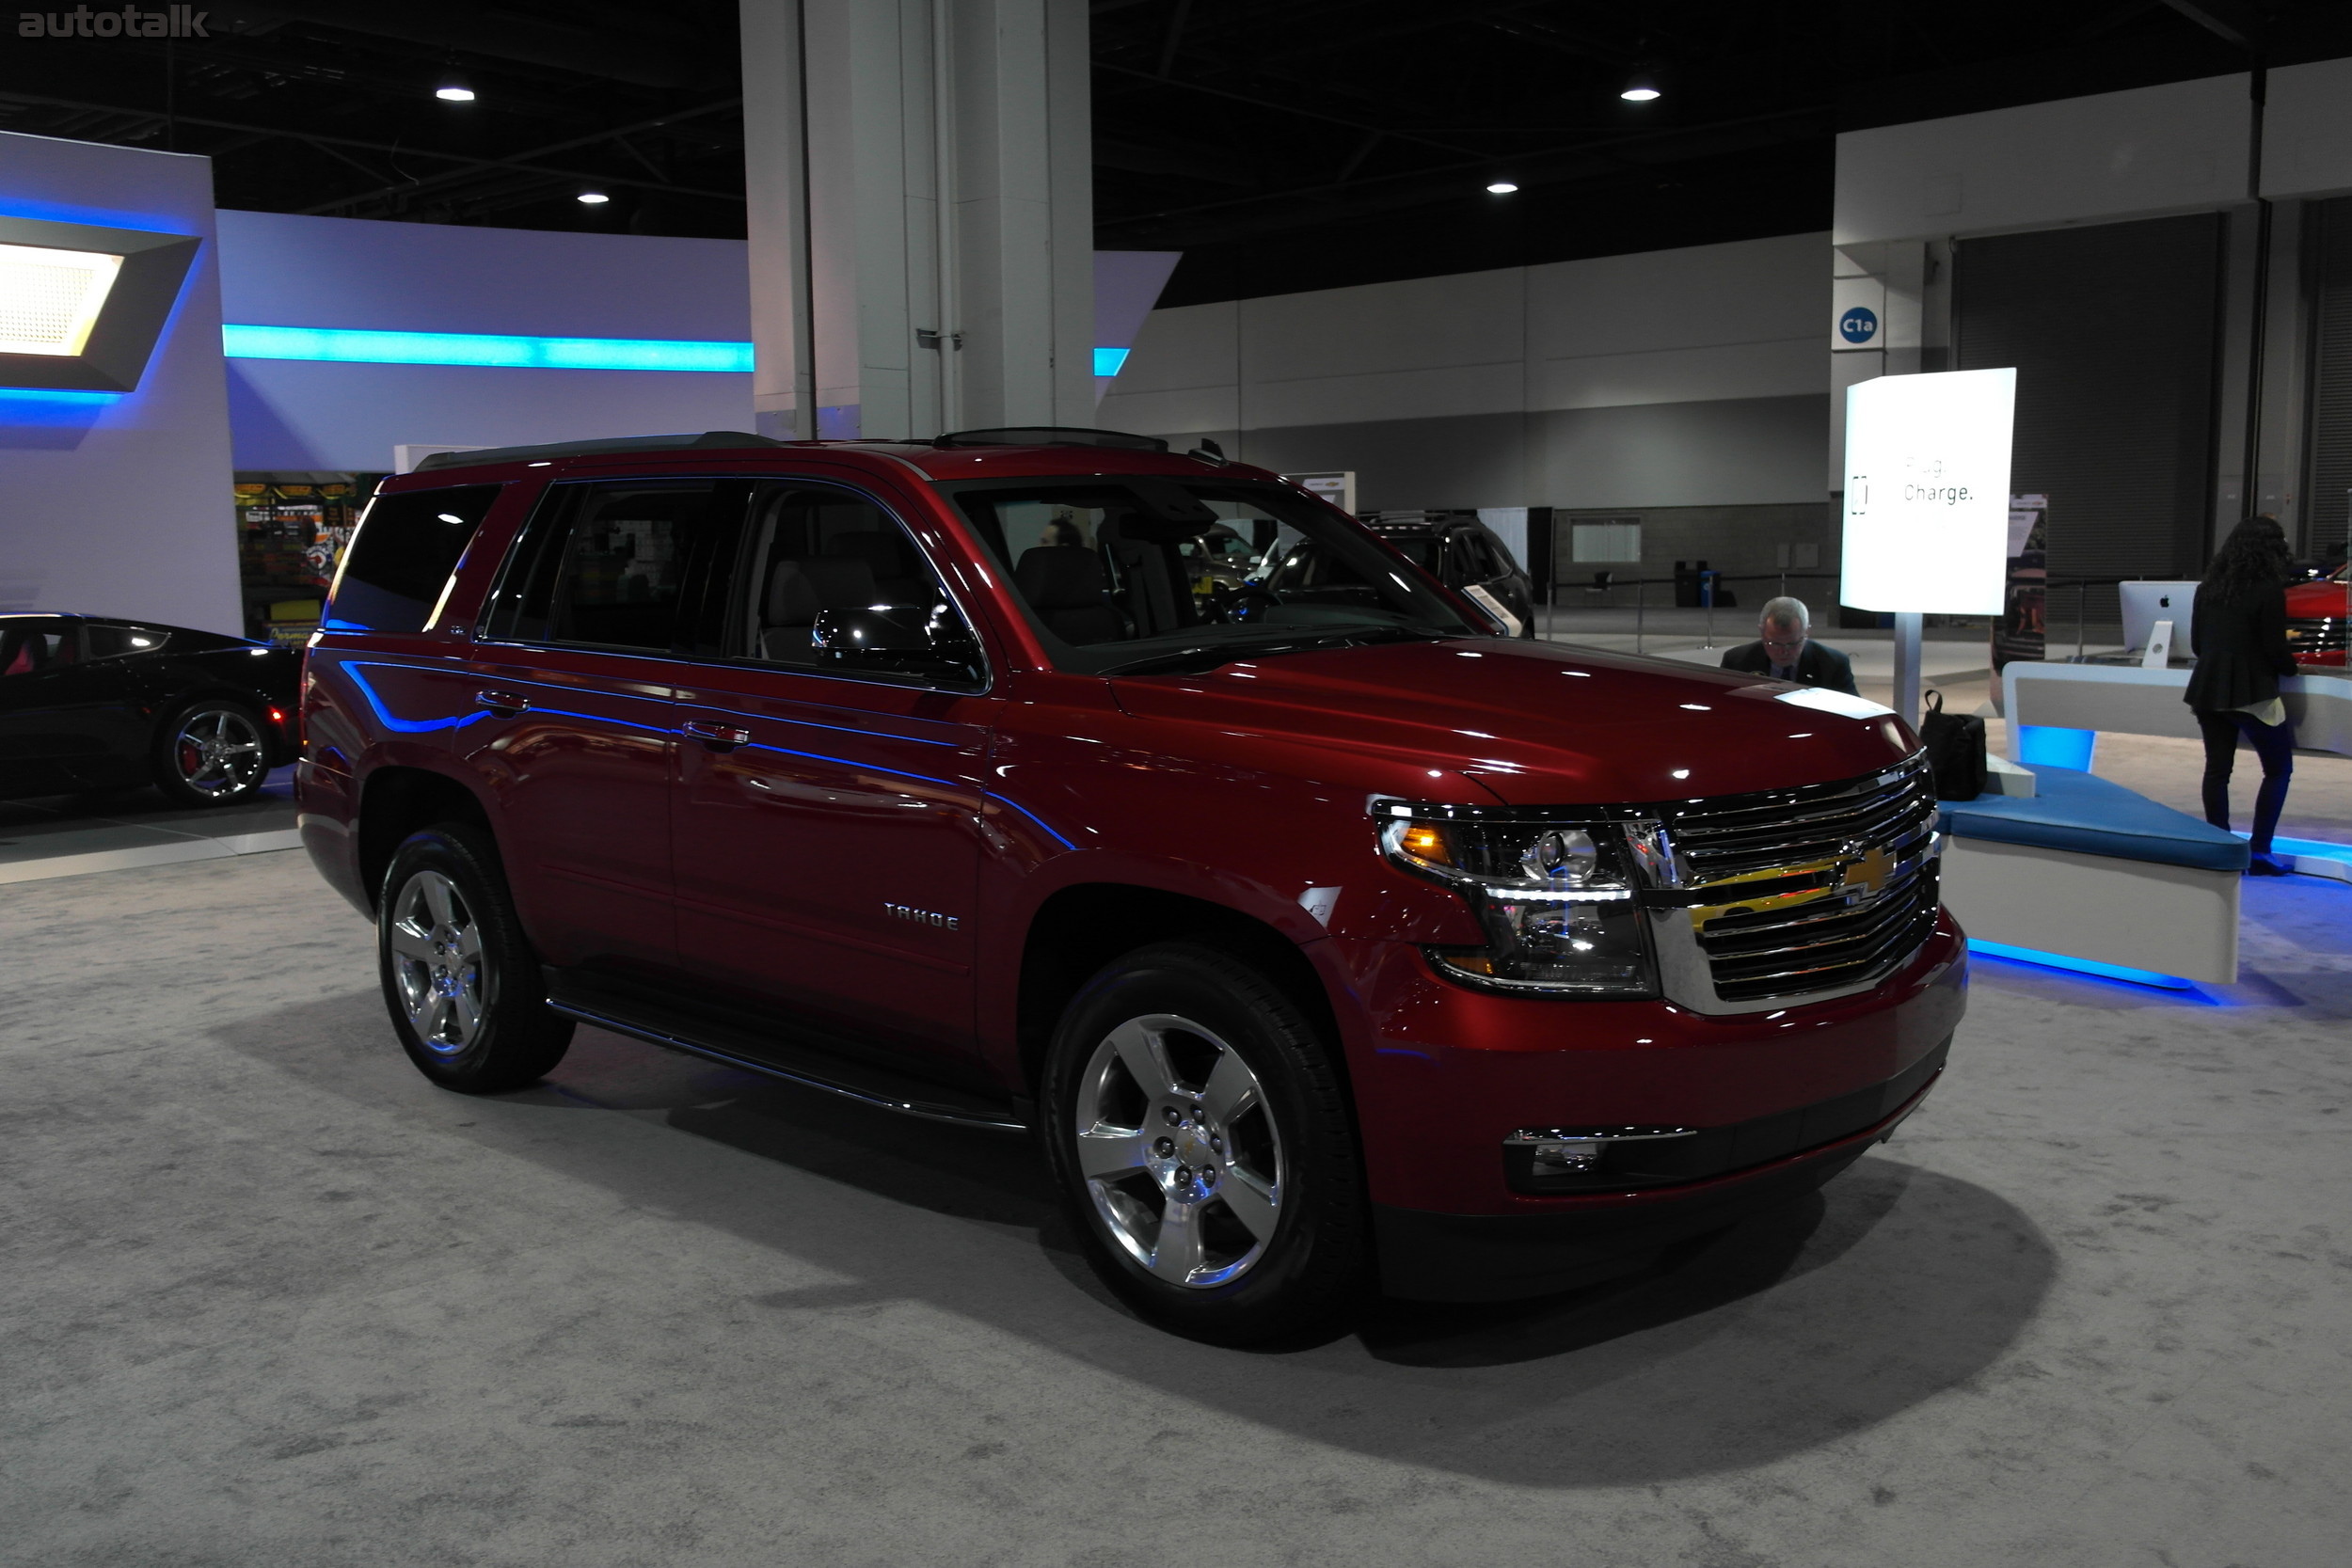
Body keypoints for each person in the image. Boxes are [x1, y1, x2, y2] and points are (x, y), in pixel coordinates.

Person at [2185, 515, 2301, 877]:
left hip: (2207, 688)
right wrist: (2293, 668)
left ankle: (2220, 847)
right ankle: (2262, 852)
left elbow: (2197, 643)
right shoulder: (2268, 588)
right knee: (2278, 768)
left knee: (2218, 770)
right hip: (2252, 691)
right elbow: (2273, 647)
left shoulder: (2208, 587)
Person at [1719, 596, 1858, 695]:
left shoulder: (1832, 664)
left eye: (1793, 644)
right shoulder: (1737, 662)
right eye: (1774, 643)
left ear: (1807, 632)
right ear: (1762, 632)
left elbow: (1853, 713)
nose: (1783, 651)